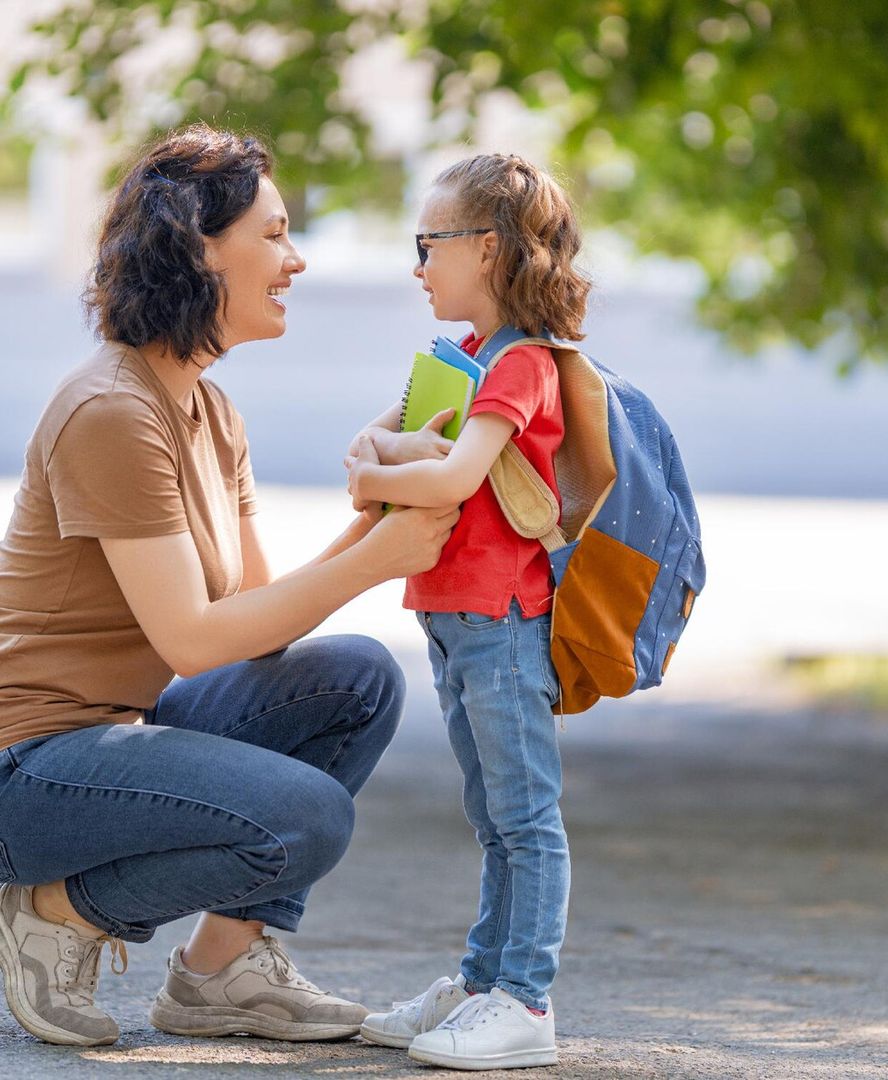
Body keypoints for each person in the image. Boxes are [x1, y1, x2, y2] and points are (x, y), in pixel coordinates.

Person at [0, 124, 459, 1048]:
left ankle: (220, 971)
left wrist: (374, 510)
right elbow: (195, 644)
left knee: (357, 680)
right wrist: (379, 557)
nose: (295, 259)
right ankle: (57, 911)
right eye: (276, 233)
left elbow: (254, 627)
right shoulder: (112, 412)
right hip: (27, 769)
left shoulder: (209, 409)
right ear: (198, 247)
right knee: (305, 817)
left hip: (108, 739)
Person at [344, 153, 591, 1070]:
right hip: (453, 619)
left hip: (499, 619)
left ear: (485, 250)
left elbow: (441, 472)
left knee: (526, 818)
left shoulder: (521, 363)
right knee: (494, 816)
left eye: (428, 244)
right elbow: (372, 437)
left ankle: (524, 1002)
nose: (417, 266)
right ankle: (483, 980)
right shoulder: (462, 361)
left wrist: (380, 470)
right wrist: (385, 454)